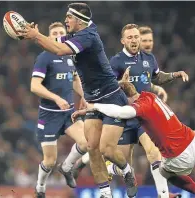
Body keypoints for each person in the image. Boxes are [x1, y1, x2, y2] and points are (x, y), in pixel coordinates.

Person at [19, 3, 137, 198]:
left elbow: (59, 50)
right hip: (93, 99)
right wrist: (33, 35)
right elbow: (54, 43)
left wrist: (36, 37)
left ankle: (127, 171)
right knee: (92, 147)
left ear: (80, 21)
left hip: (111, 98)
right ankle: (105, 194)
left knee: (107, 150)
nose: (65, 20)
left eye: (69, 17)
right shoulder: (76, 35)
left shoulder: (87, 37)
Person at [72, 24, 188, 198]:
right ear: (123, 41)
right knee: (121, 162)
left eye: (136, 37)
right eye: (130, 37)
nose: (134, 40)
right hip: (124, 115)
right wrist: (121, 84)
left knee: (153, 152)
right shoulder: (115, 61)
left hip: (145, 116)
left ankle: (163, 195)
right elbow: (106, 87)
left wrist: (174, 75)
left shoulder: (149, 58)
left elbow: (156, 77)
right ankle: (90, 162)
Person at [72, 81, 195, 194]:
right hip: (191, 138)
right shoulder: (149, 96)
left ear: (125, 98)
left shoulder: (141, 107)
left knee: (163, 171)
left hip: (178, 154)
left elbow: (120, 112)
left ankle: (165, 196)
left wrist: (94, 106)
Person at [31, 22, 88, 198]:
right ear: (49, 37)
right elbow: (34, 86)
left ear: (67, 36)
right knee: (49, 162)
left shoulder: (70, 55)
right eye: (54, 32)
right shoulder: (44, 57)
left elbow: (75, 79)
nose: (57, 35)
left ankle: (67, 167)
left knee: (86, 143)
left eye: (61, 32)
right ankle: (40, 187)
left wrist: (84, 96)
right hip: (49, 116)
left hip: (68, 113)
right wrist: (56, 98)